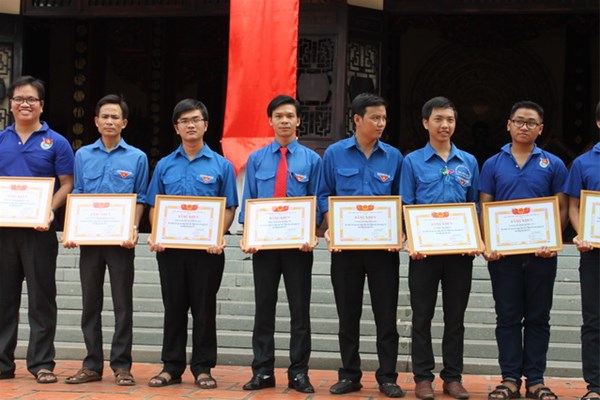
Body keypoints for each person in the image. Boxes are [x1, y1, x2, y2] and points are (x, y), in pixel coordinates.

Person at [146, 98, 238, 389]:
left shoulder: (222, 165)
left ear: (206, 125)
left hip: (207, 252)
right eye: (184, 121)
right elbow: (154, 205)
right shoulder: (164, 165)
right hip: (171, 250)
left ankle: (203, 367)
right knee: (173, 308)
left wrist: (218, 235)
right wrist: (157, 233)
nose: (191, 125)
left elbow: (229, 207)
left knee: (204, 309)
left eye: (196, 119)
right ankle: (171, 367)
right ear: (176, 128)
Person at [480, 101, 568, 400]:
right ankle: (509, 379)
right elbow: (485, 205)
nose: (524, 127)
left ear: (540, 129)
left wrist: (553, 241)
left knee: (538, 318)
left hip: (541, 255)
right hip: (504, 256)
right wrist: (489, 243)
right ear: (508, 125)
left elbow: (561, 207)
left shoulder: (553, 164)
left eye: (531, 123)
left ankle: (535, 380)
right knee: (507, 317)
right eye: (519, 121)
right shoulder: (493, 163)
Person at [319, 93, 404, 398]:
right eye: (375, 118)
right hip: (346, 251)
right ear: (357, 119)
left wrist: (400, 231)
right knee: (348, 315)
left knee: (386, 316)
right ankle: (349, 375)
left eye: (384, 118)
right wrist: (331, 227)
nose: (381, 123)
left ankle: (388, 376)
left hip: (383, 251)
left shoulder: (394, 157)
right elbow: (324, 194)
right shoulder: (334, 154)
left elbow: (401, 199)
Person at [62, 94, 149, 386]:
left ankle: (122, 365)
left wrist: (133, 227)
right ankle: (91, 365)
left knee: (122, 304)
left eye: (115, 117)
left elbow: (140, 197)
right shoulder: (83, 155)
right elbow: (79, 194)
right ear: (96, 122)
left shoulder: (137, 157)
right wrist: (72, 230)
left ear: (124, 123)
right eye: (105, 117)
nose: (109, 121)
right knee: (90, 303)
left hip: (120, 243)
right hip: (90, 241)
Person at [239, 95, 322, 393]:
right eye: (278, 116)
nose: (284, 121)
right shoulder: (257, 159)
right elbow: (249, 201)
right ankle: (262, 371)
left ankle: (299, 373)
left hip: (298, 248)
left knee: (300, 311)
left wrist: (312, 231)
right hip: (264, 247)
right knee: (264, 309)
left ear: (298, 120)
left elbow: (317, 202)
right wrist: (248, 235)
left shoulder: (312, 160)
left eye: (289, 116)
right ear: (270, 120)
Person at [400, 97, 480, 400]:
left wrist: (475, 238)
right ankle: (423, 378)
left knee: (455, 318)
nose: (444, 125)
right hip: (424, 253)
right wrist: (411, 239)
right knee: (422, 316)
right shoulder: (412, 162)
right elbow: (407, 204)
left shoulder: (468, 162)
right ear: (425, 123)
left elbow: (474, 205)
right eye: (438, 119)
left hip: (459, 253)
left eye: (450, 119)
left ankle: (453, 377)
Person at [0, 76, 75, 383]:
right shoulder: (1, 140)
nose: (25, 104)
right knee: (3, 299)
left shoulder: (57, 142)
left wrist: (48, 209)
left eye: (31, 99)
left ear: (41, 105)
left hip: (40, 231)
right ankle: (2, 363)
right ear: (10, 104)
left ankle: (42, 363)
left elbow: (67, 184)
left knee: (42, 299)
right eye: (19, 99)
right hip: (4, 232)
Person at [562, 101, 600, 400]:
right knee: (594, 320)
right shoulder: (583, 163)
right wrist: (583, 232)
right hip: (594, 253)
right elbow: (573, 205)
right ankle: (596, 386)